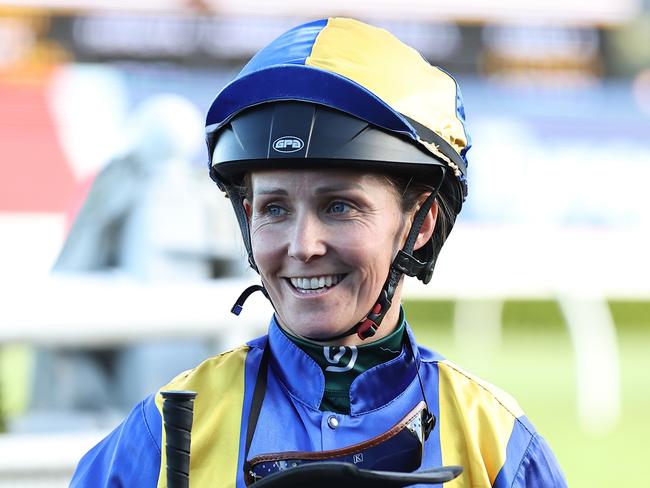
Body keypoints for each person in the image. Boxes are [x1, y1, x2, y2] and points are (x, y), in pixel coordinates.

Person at [71, 17, 567, 487]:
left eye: (339, 207)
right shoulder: (160, 434)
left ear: (420, 224)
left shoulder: (499, 447)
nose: (303, 246)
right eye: (275, 209)